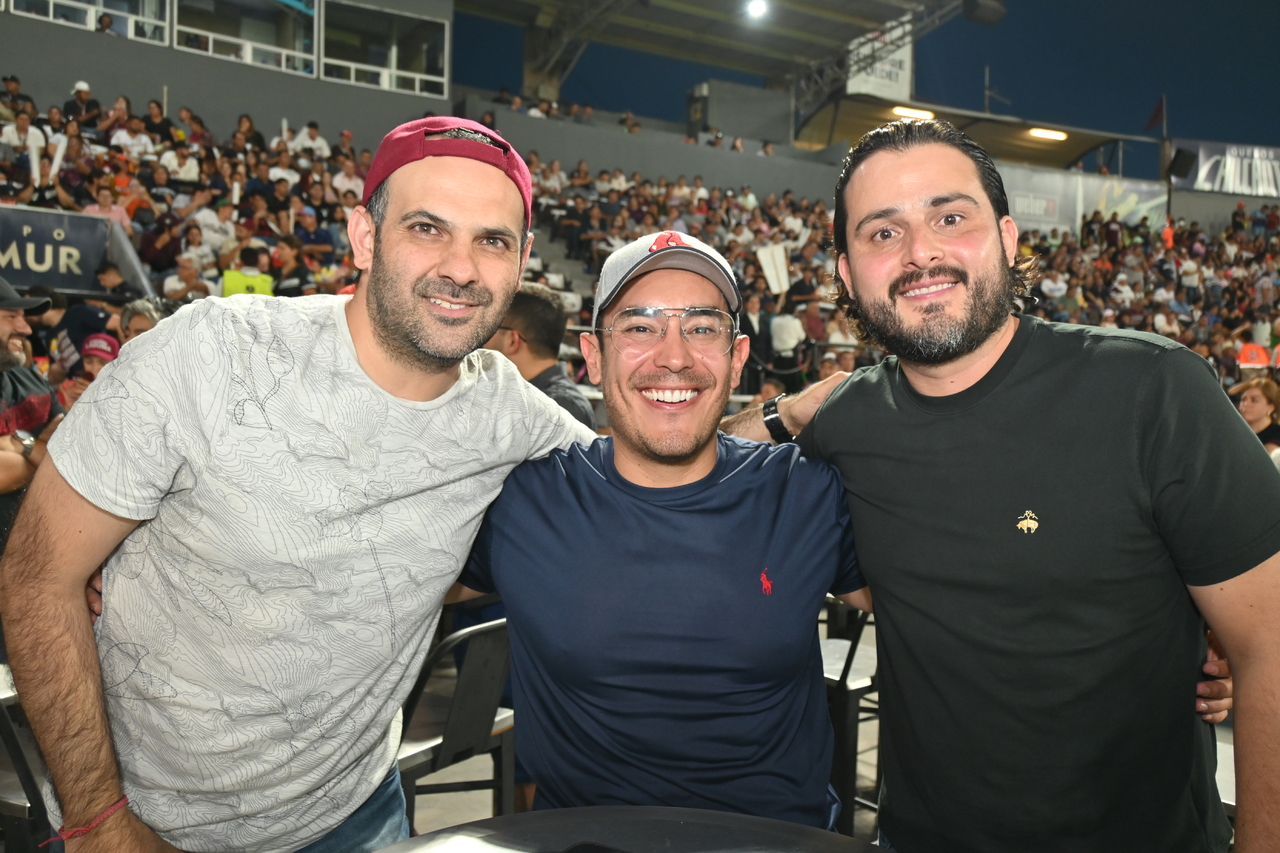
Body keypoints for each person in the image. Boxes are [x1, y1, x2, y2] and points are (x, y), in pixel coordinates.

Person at [0, 116, 601, 853]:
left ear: (522, 261)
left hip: (356, 814)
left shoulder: (514, 416)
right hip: (147, 821)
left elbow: (649, 481)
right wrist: (97, 821)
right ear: (364, 236)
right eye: (427, 228)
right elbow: (37, 577)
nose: (462, 267)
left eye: (493, 241)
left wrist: (751, 411)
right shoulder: (211, 350)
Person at [723, 118, 1278, 852]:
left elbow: (1269, 641)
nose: (921, 252)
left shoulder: (1152, 388)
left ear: (1009, 241)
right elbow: (703, 459)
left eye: (950, 218)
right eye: (883, 232)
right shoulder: (847, 419)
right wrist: (788, 410)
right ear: (848, 275)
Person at [452, 230, 869, 828]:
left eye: (702, 327)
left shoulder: (805, 490)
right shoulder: (523, 498)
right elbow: (384, 587)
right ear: (594, 354)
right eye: (640, 327)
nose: (674, 356)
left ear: (737, 357)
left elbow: (939, 608)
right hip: (579, 839)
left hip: (778, 839)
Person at [0, 278, 62, 553]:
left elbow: (71, 453)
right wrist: (41, 452)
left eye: (23, 317)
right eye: (11, 316)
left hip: (35, 555)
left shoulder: (31, 381)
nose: (25, 328)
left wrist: (20, 445)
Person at [482, 283, 595, 428]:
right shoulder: (517, 395)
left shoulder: (560, 408)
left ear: (512, 341)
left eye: (490, 329)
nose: (482, 339)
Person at [1231, 377, 1280, 453]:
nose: (1245, 404)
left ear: (1271, 407)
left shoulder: (1277, 435)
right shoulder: (1234, 432)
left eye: (1254, 400)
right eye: (1243, 400)